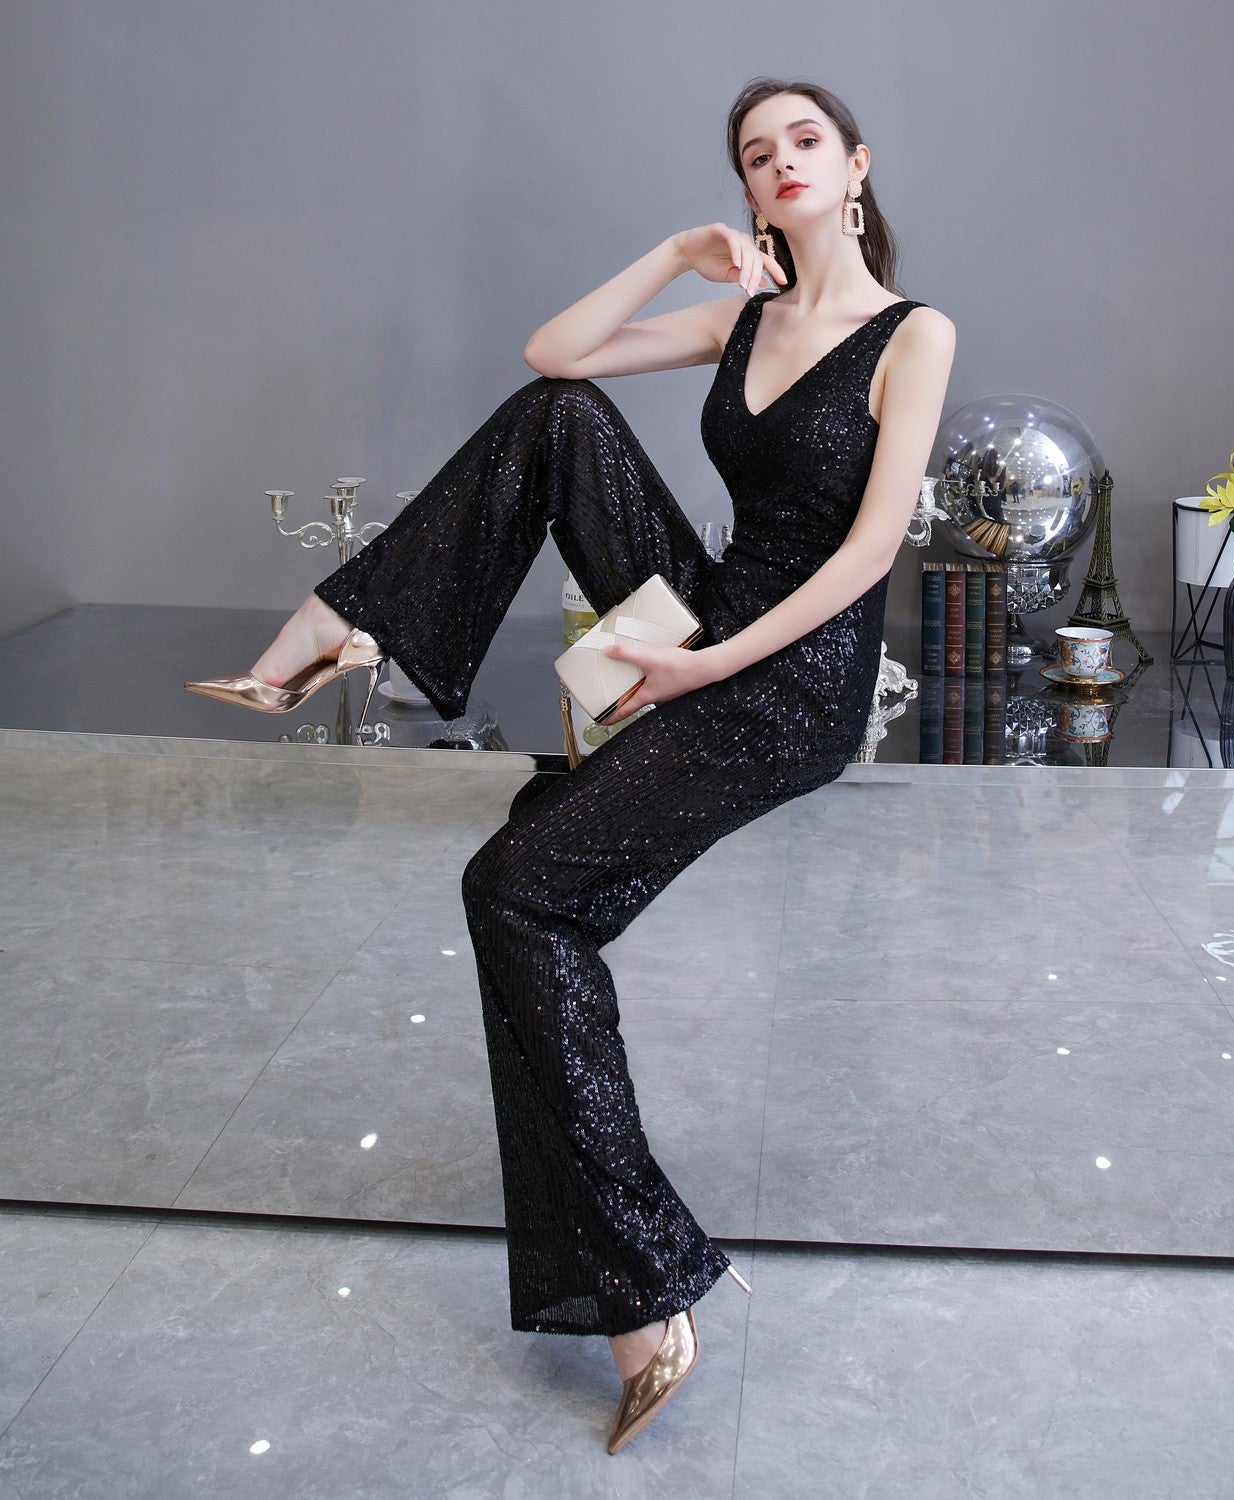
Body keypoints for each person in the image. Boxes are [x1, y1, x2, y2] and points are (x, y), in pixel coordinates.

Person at [186, 75, 955, 1453]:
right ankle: (344, 624)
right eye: (754, 154)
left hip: (791, 680)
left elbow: (867, 553)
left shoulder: (914, 335)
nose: (779, 164)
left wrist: (709, 668)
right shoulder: (739, 315)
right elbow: (555, 352)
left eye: (804, 142)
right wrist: (673, 253)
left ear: (856, 167)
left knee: (516, 895)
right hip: (709, 618)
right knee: (556, 417)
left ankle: (644, 1285)